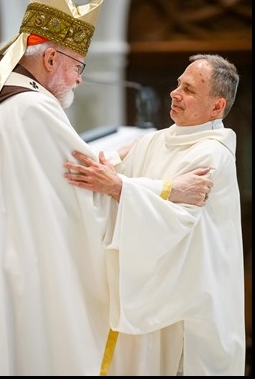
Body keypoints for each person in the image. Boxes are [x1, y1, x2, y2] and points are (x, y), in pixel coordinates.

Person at [0, 0, 213, 376]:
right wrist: (168, 190)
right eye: (77, 66)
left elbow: (62, 178)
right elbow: (87, 195)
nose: (80, 79)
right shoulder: (33, 108)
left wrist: (114, 158)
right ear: (50, 60)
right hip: (26, 276)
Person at [64, 54, 246, 375]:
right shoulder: (156, 140)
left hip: (187, 306)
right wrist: (112, 177)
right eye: (178, 84)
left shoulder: (212, 152)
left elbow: (174, 223)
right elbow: (108, 169)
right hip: (153, 301)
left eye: (189, 89)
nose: (175, 93)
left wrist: (120, 187)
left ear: (216, 107)